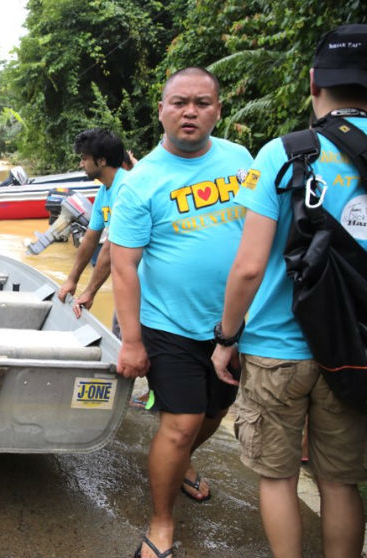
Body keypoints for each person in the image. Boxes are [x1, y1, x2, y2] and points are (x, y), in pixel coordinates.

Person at [211, 24, 367, 558]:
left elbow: (250, 267)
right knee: (341, 482)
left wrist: (226, 337)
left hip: (278, 346)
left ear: (314, 80)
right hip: (354, 350)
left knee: (277, 477)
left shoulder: (286, 153)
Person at [109, 67, 253, 558]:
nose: (190, 112)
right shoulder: (141, 181)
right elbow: (124, 267)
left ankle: (181, 462)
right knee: (182, 422)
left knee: (216, 412)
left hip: (232, 326)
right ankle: (162, 521)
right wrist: (131, 341)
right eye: (179, 103)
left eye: (201, 103)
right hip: (168, 323)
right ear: (162, 110)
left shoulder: (240, 159)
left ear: (217, 109)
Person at [56, 128, 129, 339]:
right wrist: (72, 280)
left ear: (102, 161)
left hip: (149, 285)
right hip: (129, 285)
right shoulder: (104, 191)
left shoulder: (126, 188)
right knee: (120, 340)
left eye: (85, 158)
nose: (81, 164)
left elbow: (112, 245)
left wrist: (90, 291)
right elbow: (90, 239)